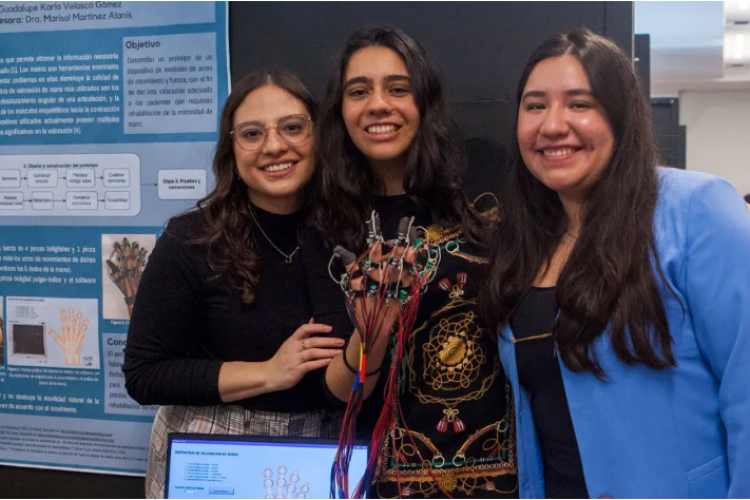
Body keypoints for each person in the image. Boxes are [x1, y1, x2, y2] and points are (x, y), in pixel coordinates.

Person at [481, 29, 750, 499]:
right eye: (535, 105)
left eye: (579, 104)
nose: (552, 125)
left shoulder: (696, 211)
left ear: (621, 116)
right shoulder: (525, 244)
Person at [303, 26, 518, 498]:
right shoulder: (327, 221)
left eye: (398, 89)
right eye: (359, 91)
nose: (379, 104)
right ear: (341, 110)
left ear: (423, 101)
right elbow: (341, 394)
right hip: (389, 481)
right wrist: (372, 331)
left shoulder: (483, 189)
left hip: (502, 476)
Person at [123, 71, 345, 499]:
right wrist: (268, 374)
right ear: (232, 149)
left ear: (320, 136)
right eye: (252, 133)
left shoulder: (351, 234)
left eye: (293, 127)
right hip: (213, 450)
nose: (274, 146)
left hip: (326, 449)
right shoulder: (191, 239)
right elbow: (144, 375)